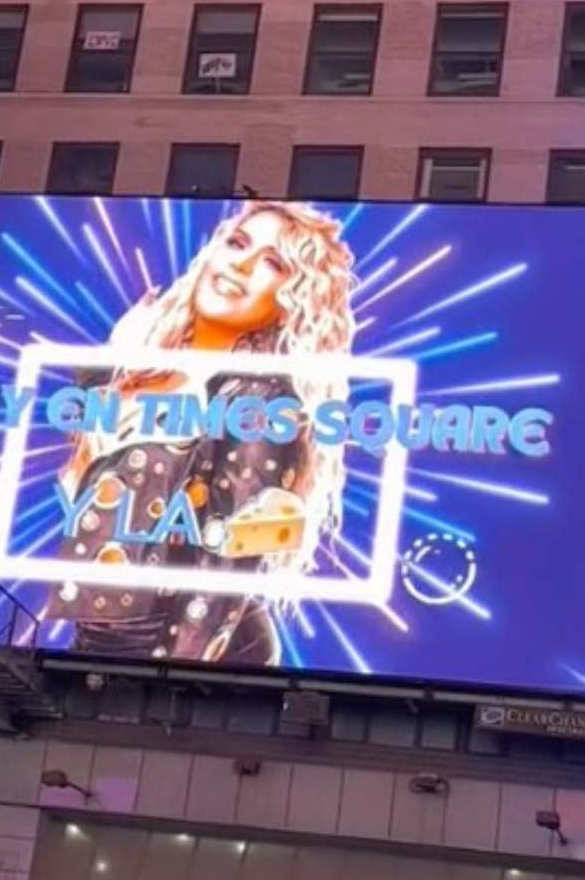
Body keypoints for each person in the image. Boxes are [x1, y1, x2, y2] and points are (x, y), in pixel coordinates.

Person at [45, 200, 355, 665]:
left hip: (192, 647)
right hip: (106, 643)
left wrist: (178, 679)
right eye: (238, 242)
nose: (243, 264)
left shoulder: (261, 401)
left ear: (292, 298)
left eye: (273, 263)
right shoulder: (140, 367)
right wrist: (110, 361)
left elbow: (225, 569)